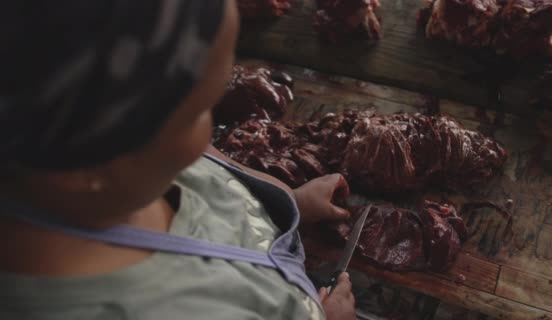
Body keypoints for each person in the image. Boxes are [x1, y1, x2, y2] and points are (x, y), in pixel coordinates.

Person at [0, 0, 356, 319]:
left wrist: (287, 200)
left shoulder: (96, 164)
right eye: (201, 112)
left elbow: (208, 166)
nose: (208, 135)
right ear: (80, 165)